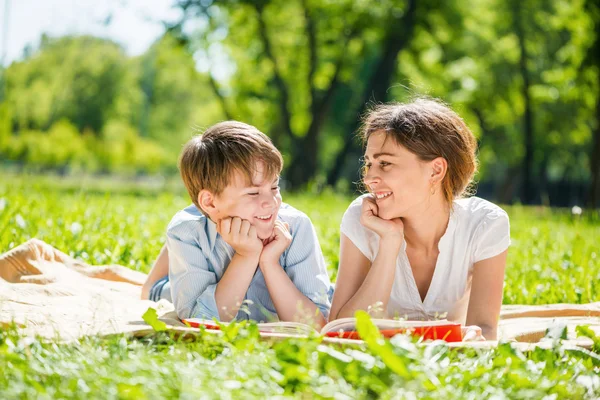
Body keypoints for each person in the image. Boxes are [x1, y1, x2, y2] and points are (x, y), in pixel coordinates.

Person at [330, 98, 510, 340]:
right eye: (369, 164)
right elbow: (340, 331)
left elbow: (484, 331)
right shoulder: (361, 218)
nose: (369, 178)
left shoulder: (485, 224)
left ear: (435, 170)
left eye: (385, 163)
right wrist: (389, 245)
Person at [142, 121, 332, 327]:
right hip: (181, 274)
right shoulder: (186, 231)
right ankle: (170, 255)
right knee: (151, 290)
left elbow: (315, 325)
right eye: (253, 192)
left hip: (211, 223)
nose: (271, 202)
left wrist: (270, 263)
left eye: (275, 187)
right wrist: (246, 255)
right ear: (210, 202)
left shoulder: (297, 227)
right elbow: (200, 321)